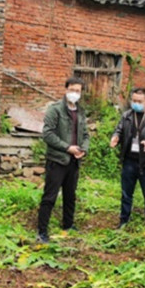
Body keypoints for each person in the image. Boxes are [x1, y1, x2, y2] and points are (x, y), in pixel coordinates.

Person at [37, 76, 89, 243]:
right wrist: (67, 148)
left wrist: (83, 149)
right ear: (66, 90)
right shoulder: (55, 110)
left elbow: (85, 135)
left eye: (78, 91)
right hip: (57, 160)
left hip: (74, 161)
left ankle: (68, 224)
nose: (74, 93)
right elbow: (48, 134)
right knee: (50, 196)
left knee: (70, 195)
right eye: (72, 90)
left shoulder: (80, 111)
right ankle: (42, 231)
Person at [110, 87, 145, 230]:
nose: (136, 104)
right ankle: (123, 221)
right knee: (126, 194)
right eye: (134, 100)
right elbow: (119, 130)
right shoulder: (127, 116)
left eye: (139, 101)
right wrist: (115, 137)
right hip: (129, 161)